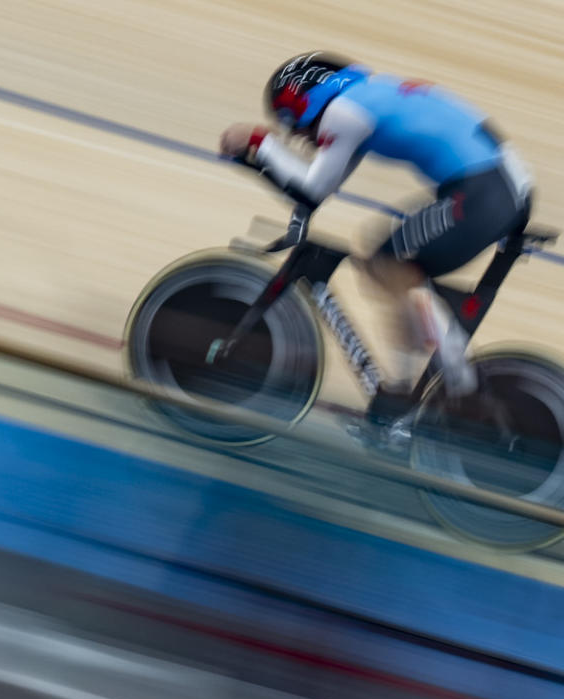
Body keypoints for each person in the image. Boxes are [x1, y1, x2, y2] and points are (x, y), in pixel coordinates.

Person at [218, 53, 529, 442]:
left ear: (308, 100)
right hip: (497, 185)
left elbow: (311, 185)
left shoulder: (344, 114)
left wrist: (258, 143)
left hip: (484, 192)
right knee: (390, 265)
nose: (299, 137)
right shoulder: (365, 101)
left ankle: (443, 384)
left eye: (293, 124)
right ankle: (407, 393)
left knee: (386, 261)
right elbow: (318, 190)